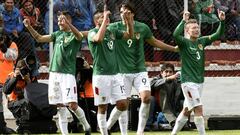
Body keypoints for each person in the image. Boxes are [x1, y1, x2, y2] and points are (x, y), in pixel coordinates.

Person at [106, 2, 178, 135]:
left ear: (133, 13)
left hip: (139, 70)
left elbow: (154, 42)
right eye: (121, 12)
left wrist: (172, 48)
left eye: (127, 12)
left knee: (146, 98)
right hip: (122, 72)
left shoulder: (143, 27)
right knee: (123, 104)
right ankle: (107, 127)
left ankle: (140, 132)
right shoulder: (114, 27)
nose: (123, 14)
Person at [23, 11, 91, 135]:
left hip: (67, 74)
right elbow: (39, 38)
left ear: (69, 21)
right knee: (59, 106)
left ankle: (87, 126)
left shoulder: (75, 35)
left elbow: (80, 37)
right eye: (58, 20)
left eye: (62, 20)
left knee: (72, 105)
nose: (59, 22)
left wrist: (69, 25)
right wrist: (29, 27)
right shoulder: (57, 34)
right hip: (54, 74)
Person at [170, 10, 225, 135]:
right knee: (198, 108)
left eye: (197, 27)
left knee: (186, 110)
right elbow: (175, 35)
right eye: (193, 28)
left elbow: (218, 34)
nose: (196, 29)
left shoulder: (202, 41)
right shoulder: (184, 43)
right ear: (187, 31)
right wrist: (183, 20)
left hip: (199, 81)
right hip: (188, 82)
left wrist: (222, 21)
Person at [87, 8, 134, 135]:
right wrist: (104, 20)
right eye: (103, 17)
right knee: (103, 107)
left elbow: (129, 35)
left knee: (123, 103)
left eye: (107, 16)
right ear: (97, 21)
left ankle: (109, 127)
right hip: (101, 75)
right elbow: (98, 39)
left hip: (116, 74)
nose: (107, 18)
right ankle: (104, 132)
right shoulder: (92, 32)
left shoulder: (112, 31)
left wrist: (129, 21)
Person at [149, 63, 183, 130]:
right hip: (158, 107)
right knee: (151, 99)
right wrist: (167, 79)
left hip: (173, 107)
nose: (168, 74)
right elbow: (151, 85)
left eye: (170, 72)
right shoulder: (156, 79)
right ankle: (148, 125)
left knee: (183, 102)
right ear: (161, 73)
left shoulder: (177, 81)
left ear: (173, 73)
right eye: (166, 71)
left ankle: (184, 123)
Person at [0, 19, 18, 134]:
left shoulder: (11, 44)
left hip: (8, 80)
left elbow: (13, 56)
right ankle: (2, 126)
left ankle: (21, 125)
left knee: (13, 104)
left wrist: (3, 47)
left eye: (3, 36)